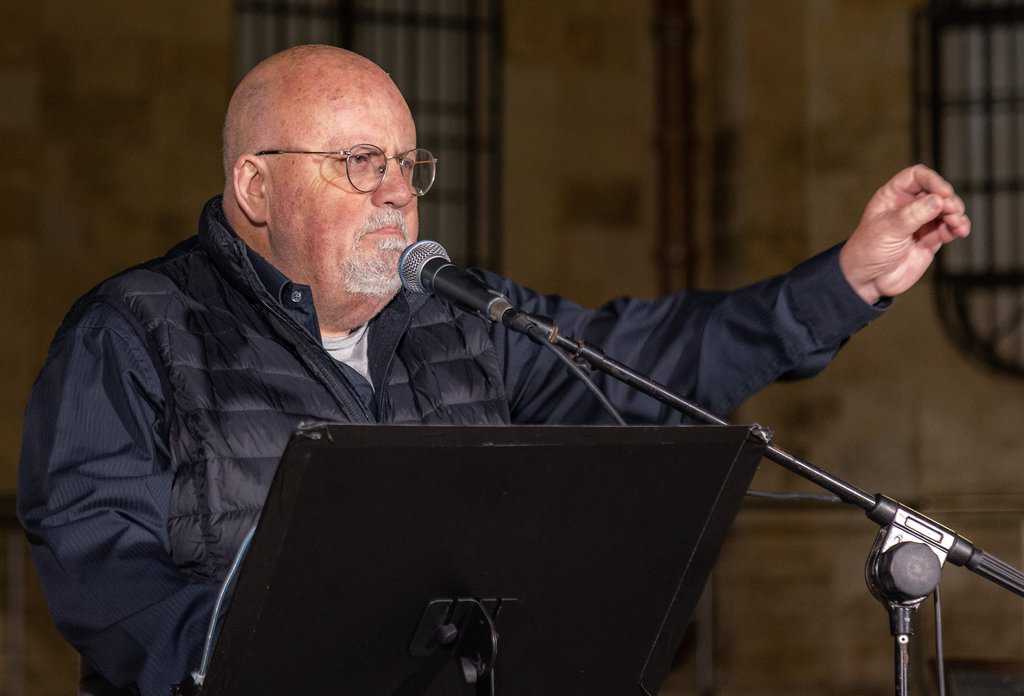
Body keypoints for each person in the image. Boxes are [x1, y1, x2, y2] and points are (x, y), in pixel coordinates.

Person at [17, 44, 970, 696]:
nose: (396, 190)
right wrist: (269, 655)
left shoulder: (462, 318)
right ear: (256, 187)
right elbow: (108, 581)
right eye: (359, 161)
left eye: (407, 163)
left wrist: (846, 282)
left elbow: (643, 362)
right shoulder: (130, 334)